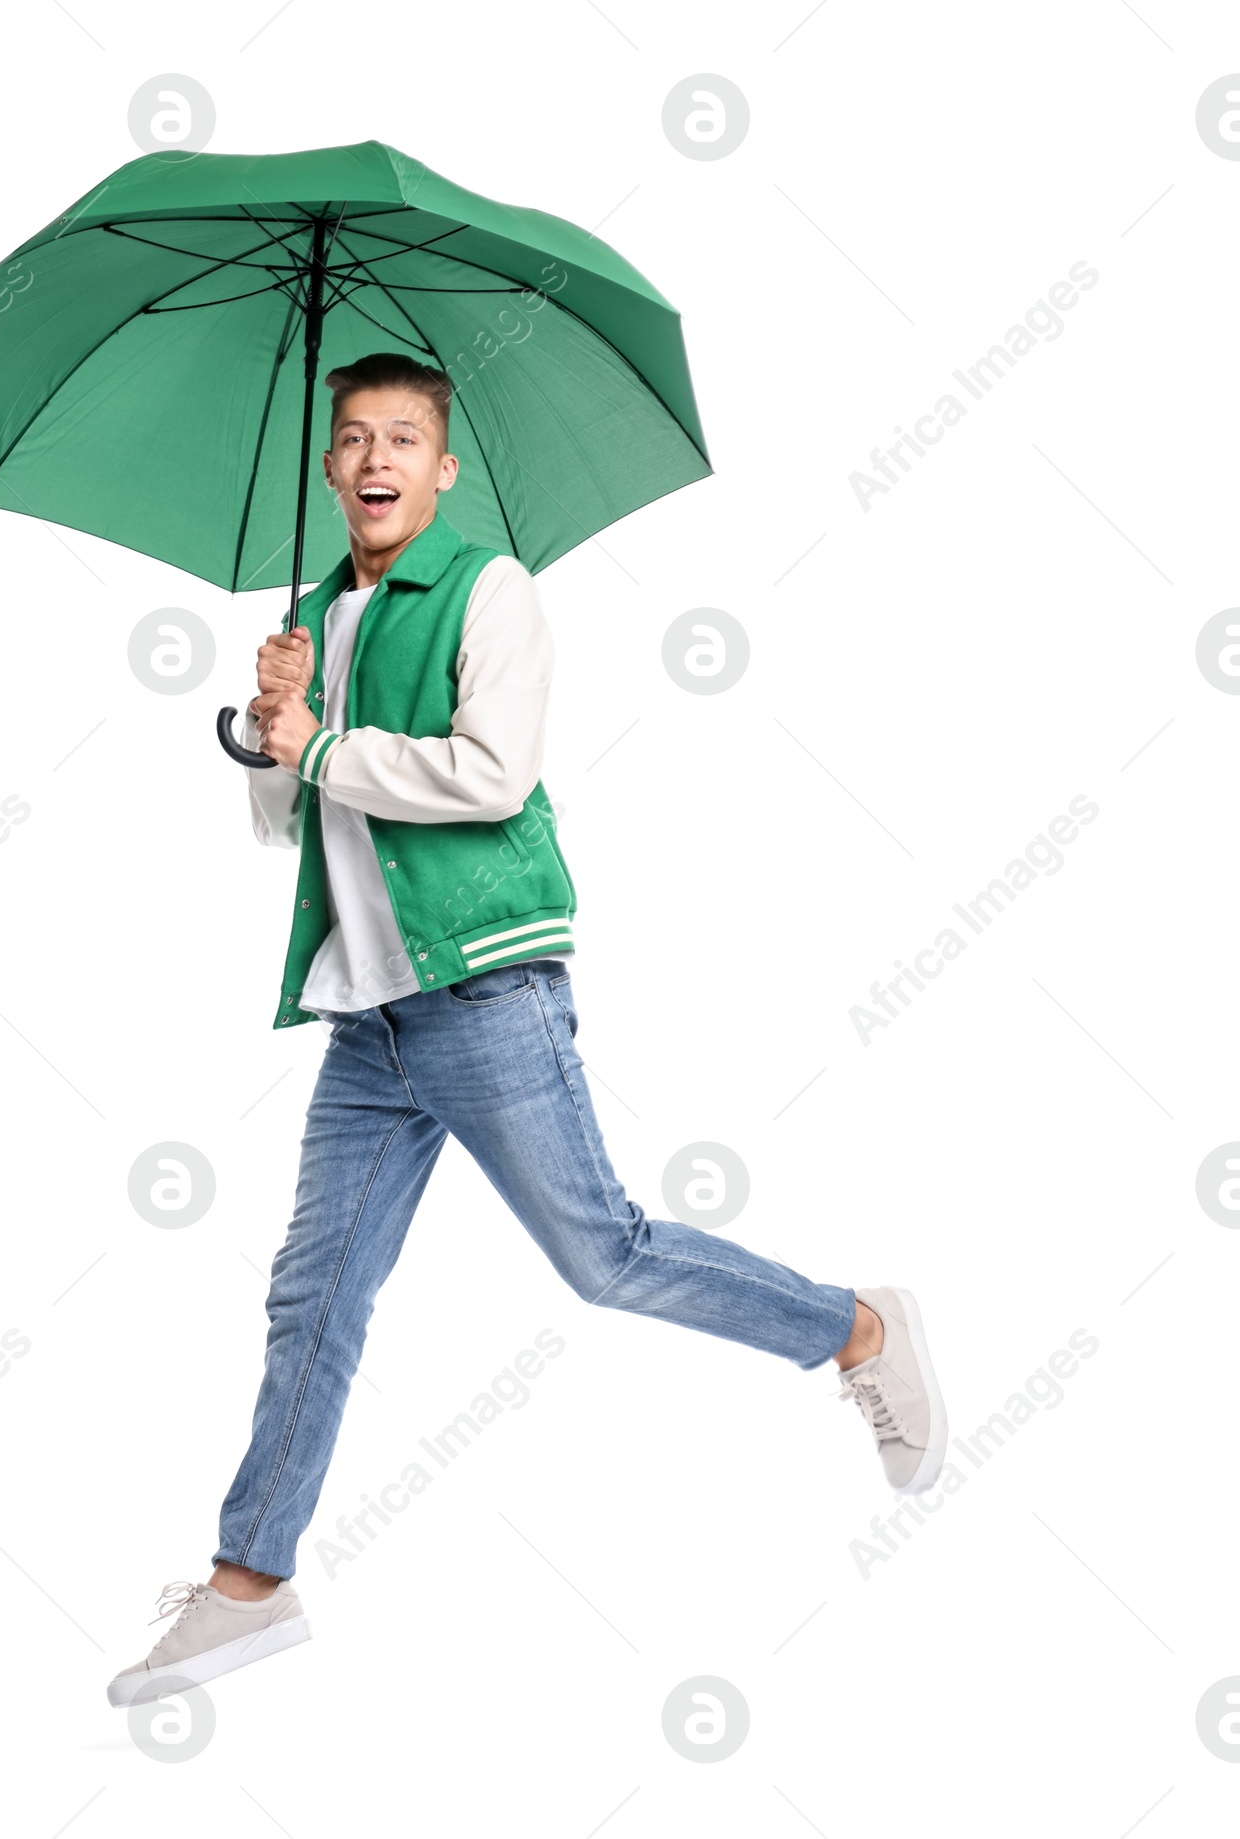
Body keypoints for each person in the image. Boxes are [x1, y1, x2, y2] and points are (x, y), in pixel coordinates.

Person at [106, 353, 948, 1709]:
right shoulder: (318, 615)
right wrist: (273, 732)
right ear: (329, 471)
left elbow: (492, 774)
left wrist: (318, 744)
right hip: (367, 1017)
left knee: (603, 1258)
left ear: (441, 472)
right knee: (312, 1294)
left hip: (490, 993)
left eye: (405, 440)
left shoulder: (493, 592)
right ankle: (249, 1585)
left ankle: (855, 1331)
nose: (376, 460)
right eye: (355, 440)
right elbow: (295, 830)